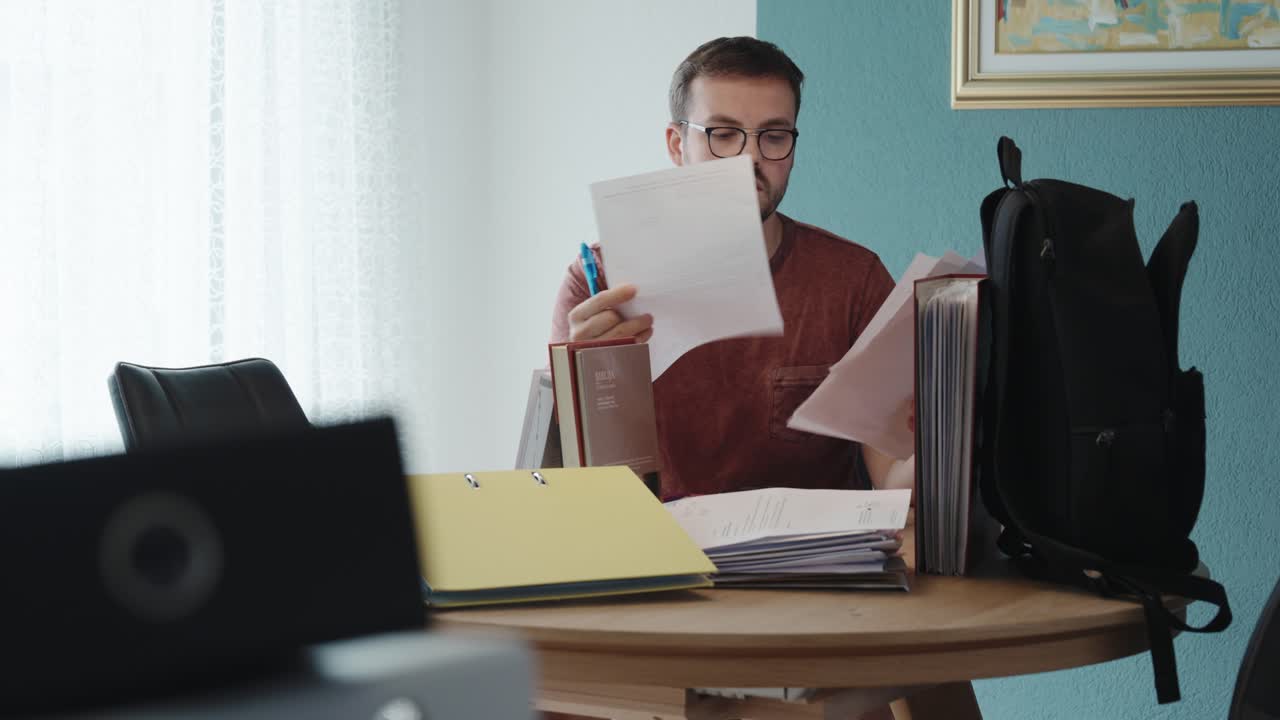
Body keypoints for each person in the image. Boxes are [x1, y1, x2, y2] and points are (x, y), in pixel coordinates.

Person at [550, 36, 913, 500]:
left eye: (775, 136)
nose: (750, 158)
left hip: (812, 566)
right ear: (676, 144)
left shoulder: (853, 281)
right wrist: (591, 392)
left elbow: (895, 479)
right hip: (660, 558)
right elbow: (584, 498)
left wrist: (951, 432)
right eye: (723, 134)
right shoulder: (596, 286)